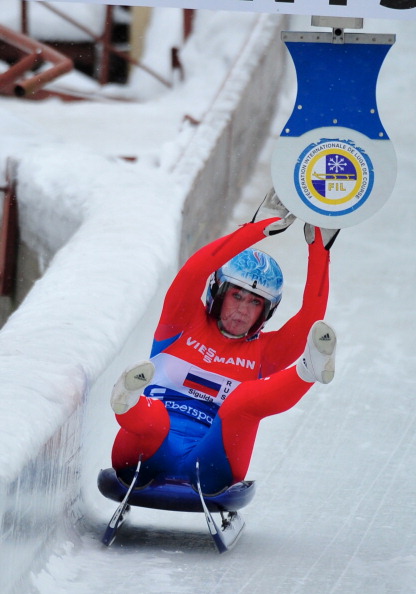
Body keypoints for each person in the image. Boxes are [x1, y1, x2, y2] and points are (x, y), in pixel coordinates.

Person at [109, 191, 338, 495]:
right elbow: (193, 271)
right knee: (155, 420)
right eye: (237, 295)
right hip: (144, 452)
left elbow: (311, 318)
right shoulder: (181, 321)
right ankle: (127, 402)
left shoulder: (264, 353)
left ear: (266, 311)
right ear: (218, 292)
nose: (243, 309)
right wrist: (257, 228)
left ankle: (308, 370)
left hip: (212, 461)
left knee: (241, 402)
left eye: (255, 302)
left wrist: (320, 248)